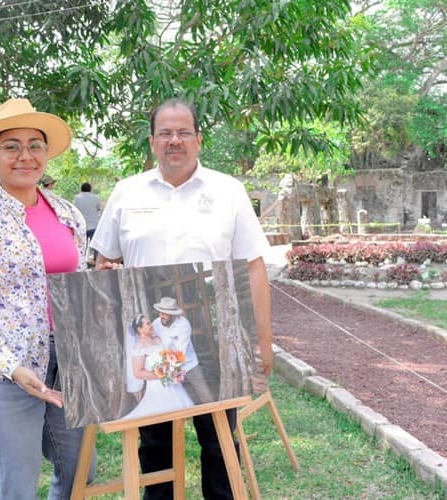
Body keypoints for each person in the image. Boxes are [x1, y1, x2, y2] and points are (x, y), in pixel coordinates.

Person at [92, 98, 273, 500]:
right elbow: (104, 260)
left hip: (212, 334)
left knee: (220, 440)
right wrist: (105, 272)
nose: (175, 141)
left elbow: (255, 268)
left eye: (183, 132)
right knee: (154, 445)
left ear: (198, 139)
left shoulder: (229, 191)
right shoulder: (126, 192)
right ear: (152, 141)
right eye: (166, 133)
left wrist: (262, 342)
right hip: (149, 334)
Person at [0, 98, 95, 499]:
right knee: (18, 488)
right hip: (3, 370)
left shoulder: (67, 214)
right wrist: (11, 366)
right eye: (11, 146)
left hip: (67, 362)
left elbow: (76, 282)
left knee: (81, 471)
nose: (25, 156)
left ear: (46, 153)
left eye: (35, 145)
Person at [123, 314, 193, 419]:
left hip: (172, 382)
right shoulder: (139, 347)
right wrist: (163, 374)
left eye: (150, 322)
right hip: (157, 386)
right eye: (147, 324)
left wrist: (173, 369)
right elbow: (138, 373)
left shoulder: (157, 339)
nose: (151, 325)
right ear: (140, 329)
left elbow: (168, 357)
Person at [151, 297, 213, 404]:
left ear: (173, 314)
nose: (162, 316)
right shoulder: (156, 323)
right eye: (161, 312)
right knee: (179, 398)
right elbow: (153, 342)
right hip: (168, 366)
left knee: (205, 395)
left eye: (165, 313)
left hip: (189, 364)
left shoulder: (183, 325)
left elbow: (181, 352)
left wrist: (171, 369)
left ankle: (215, 413)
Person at [72, 182, 101, 260]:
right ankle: (96, 261)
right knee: (96, 245)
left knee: (81, 245)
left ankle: (82, 261)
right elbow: (99, 208)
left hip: (81, 226)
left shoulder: (76, 198)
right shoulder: (95, 197)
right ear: (90, 189)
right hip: (93, 225)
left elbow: (74, 210)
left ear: (81, 189)